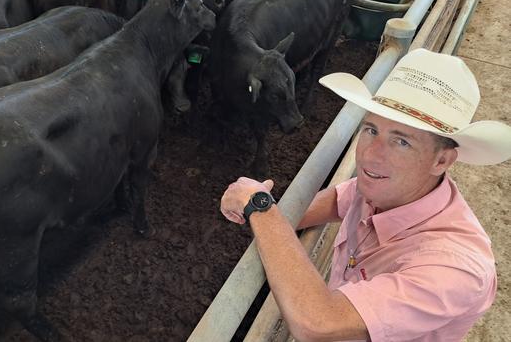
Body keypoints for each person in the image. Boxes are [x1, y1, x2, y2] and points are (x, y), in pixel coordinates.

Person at [219, 48, 511, 341]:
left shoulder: (454, 268)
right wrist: (266, 223)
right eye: (371, 129)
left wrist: (260, 207)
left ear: (442, 161)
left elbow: (319, 323)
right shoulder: (386, 188)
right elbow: (337, 200)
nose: (370, 155)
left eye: (401, 142)